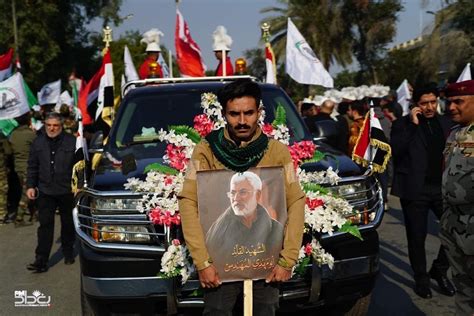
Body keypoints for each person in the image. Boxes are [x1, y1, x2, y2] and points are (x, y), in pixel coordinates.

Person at [178, 79, 305, 315]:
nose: (243, 121)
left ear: (259, 112)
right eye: (235, 114)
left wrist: (288, 259)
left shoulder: (277, 152)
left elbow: (295, 200)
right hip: (220, 259)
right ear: (224, 114)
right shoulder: (206, 150)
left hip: (265, 258)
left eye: (249, 112)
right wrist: (203, 262)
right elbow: (189, 201)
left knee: (266, 309)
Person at [390, 86, 455, 299]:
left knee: (454, 232)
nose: (429, 107)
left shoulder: (446, 123)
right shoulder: (402, 125)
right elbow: (396, 151)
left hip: (442, 189)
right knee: (416, 238)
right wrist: (412, 126)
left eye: (433, 102)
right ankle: (421, 280)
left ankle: (439, 269)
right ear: (416, 104)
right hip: (415, 191)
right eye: (424, 103)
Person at [205, 171, 284, 279]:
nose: (236, 199)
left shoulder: (276, 230)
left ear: (257, 195)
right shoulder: (217, 233)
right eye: (232, 193)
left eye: (242, 192)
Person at [26, 112, 77, 273]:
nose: (52, 128)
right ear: (45, 125)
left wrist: (80, 186)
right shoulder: (37, 142)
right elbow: (32, 166)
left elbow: (80, 166)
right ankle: (41, 260)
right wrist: (30, 186)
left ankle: (68, 251)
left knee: (68, 223)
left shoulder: (72, 141)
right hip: (45, 190)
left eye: (55, 125)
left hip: (67, 190)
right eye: (49, 125)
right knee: (45, 226)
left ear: (61, 126)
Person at [440, 80, 474, 315]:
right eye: (449, 101)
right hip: (453, 225)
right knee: (463, 289)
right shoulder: (454, 134)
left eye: (458, 101)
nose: (451, 107)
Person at [8, 112, 36, 227]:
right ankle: (19, 218)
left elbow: (9, 151)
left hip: (18, 167)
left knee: (26, 189)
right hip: (28, 167)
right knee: (27, 192)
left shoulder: (13, 134)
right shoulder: (30, 134)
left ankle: (34, 213)